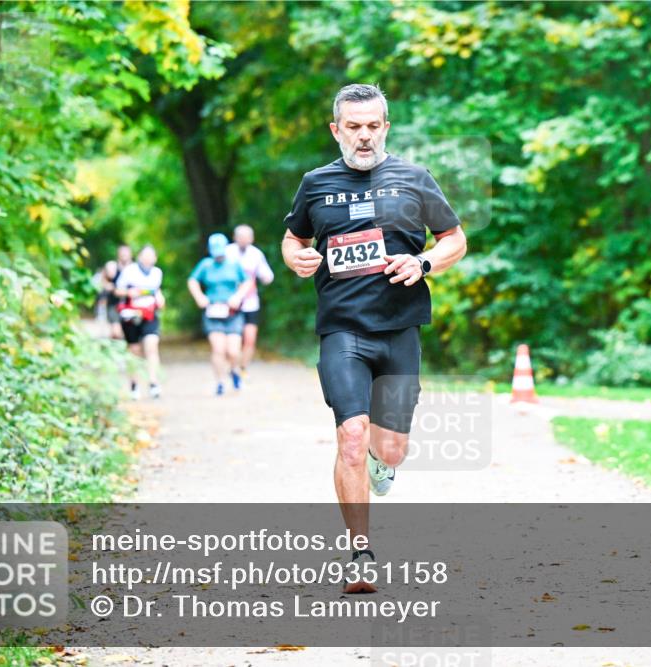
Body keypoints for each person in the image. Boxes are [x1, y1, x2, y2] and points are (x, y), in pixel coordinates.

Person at [280, 83, 467, 592]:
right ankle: (360, 553)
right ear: (336, 129)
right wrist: (293, 256)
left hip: (399, 330)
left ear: (385, 126)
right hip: (342, 329)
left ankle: (383, 466)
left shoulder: (413, 178)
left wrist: (424, 261)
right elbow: (293, 237)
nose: (364, 137)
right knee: (352, 436)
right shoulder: (316, 183)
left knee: (392, 448)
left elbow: (455, 238)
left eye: (372, 126)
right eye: (353, 127)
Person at [188, 233, 255, 395]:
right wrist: (200, 297)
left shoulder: (234, 264)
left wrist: (237, 297)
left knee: (233, 351)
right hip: (213, 312)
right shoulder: (205, 265)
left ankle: (234, 371)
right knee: (218, 349)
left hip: (232, 312)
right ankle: (219, 382)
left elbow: (247, 282)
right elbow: (192, 280)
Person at [115, 245, 165, 399]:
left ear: (155, 258)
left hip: (150, 315)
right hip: (131, 316)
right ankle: (134, 384)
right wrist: (130, 292)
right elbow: (118, 290)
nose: (148, 258)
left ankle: (153, 383)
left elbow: (157, 290)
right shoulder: (129, 271)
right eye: (145, 255)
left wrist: (160, 299)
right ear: (139, 256)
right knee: (134, 351)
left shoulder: (157, 273)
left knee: (152, 346)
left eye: (151, 255)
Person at [225, 224, 275, 380]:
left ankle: (243, 367)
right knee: (233, 340)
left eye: (247, 237)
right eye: (241, 237)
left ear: (252, 238)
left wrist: (266, 278)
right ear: (235, 237)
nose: (244, 240)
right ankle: (233, 367)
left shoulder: (256, 254)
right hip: (231, 303)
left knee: (250, 339)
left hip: (251, 302)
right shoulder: (227, 252)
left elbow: (267, 275)